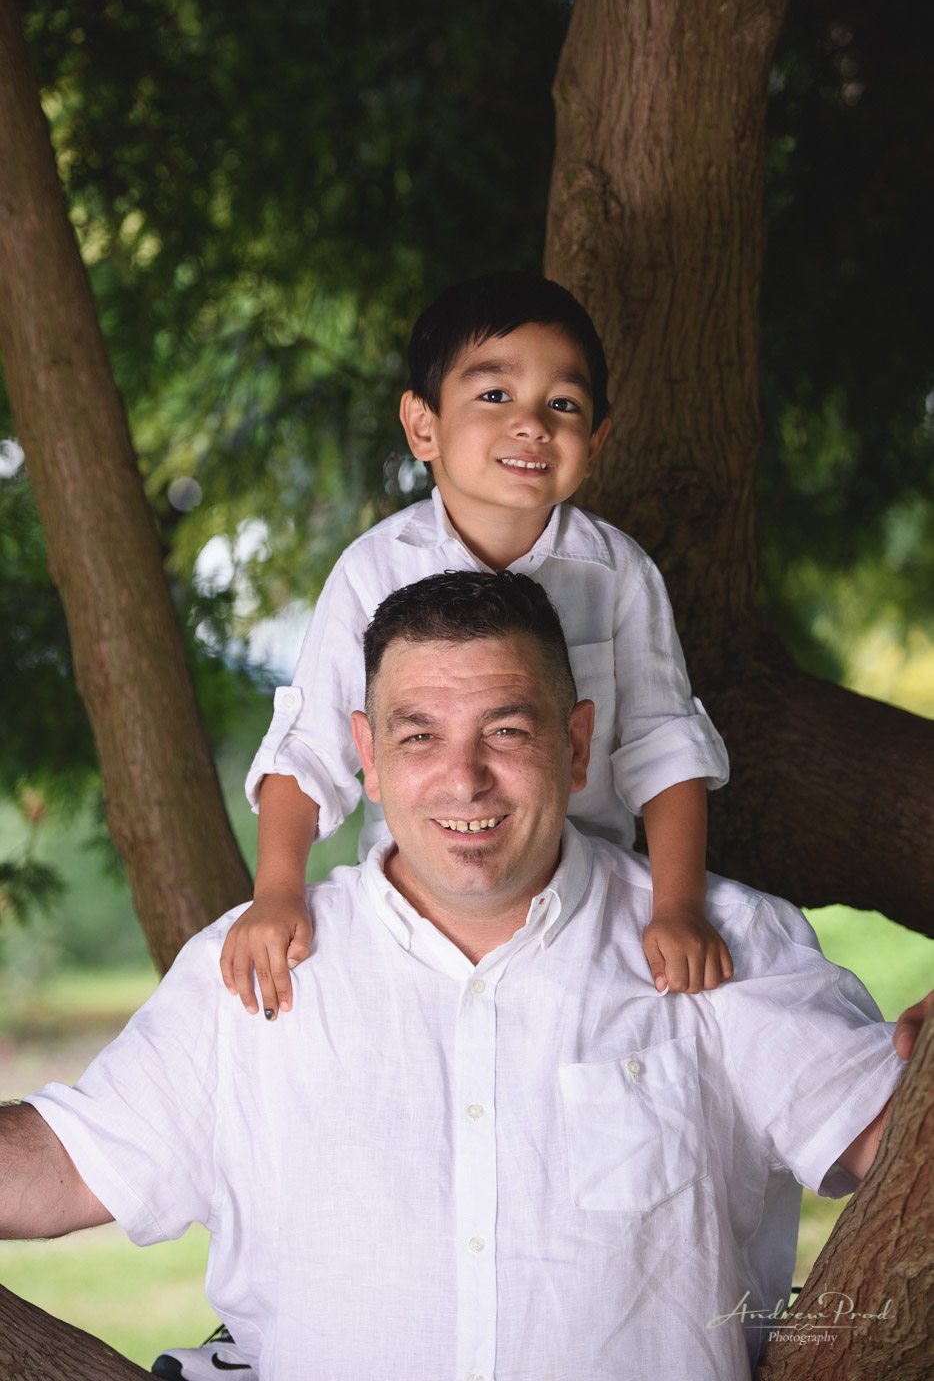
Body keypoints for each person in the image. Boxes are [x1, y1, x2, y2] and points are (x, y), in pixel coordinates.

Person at [1, 571, 927, 1381]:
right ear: (365, 756)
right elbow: (58, 1170)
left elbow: (901, 1153)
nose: (464, 780)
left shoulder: (726, 949)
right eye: (419, 738)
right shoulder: (250, 976)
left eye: (507, 731)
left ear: (574, 745)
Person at [225, 271, 732, 1026]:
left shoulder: (617, 572)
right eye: (495, 395)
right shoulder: (375, 568)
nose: (532, 424)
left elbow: (664, 744)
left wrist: (679, 907)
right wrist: (276, 895)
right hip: (426, 893)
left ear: (594, 442)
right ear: (423, 425)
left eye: (563, 405)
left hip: (581, 896)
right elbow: (311, 747)